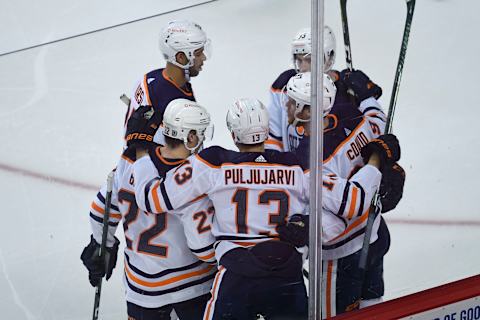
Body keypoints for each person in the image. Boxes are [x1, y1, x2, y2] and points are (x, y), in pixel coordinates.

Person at [131, 98, 310, 319]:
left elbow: (152, 199)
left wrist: (140, 150)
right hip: (286, 273)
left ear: (234, 135)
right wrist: (308, 222)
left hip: (238, 274)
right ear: (266, 131)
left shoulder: (214, 161)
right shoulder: (295, 164)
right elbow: (330, 202)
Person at [81, 99, 217, 320]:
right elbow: (202, 246)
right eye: (201, 133)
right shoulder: (193, 175)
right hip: (191, 290)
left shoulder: (127, 161)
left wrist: (101, 246)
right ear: (190, 137)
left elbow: (100, 211)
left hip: (140, 293)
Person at [285, 71, 405, 317]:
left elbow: (349, 204)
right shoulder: (350, 115)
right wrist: (367, 96)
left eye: (292, 101)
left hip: (342, 258)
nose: (285, 105)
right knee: (374, 307)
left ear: (306, 111)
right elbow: (378, 121)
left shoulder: (312, 156)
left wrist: (309, 227)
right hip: (374, 235)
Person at [123, 19, 211, 145]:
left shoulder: (150, 77)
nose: (204, 58)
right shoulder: (176, 107)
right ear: (181, 57)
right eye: (198, 53)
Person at [265, 26, 336, 152]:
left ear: (329, 58)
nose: (303, 67)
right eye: (299, 59)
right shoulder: (283, 85)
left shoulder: (342, 92)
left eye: (309, 60)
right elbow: (273, 139)